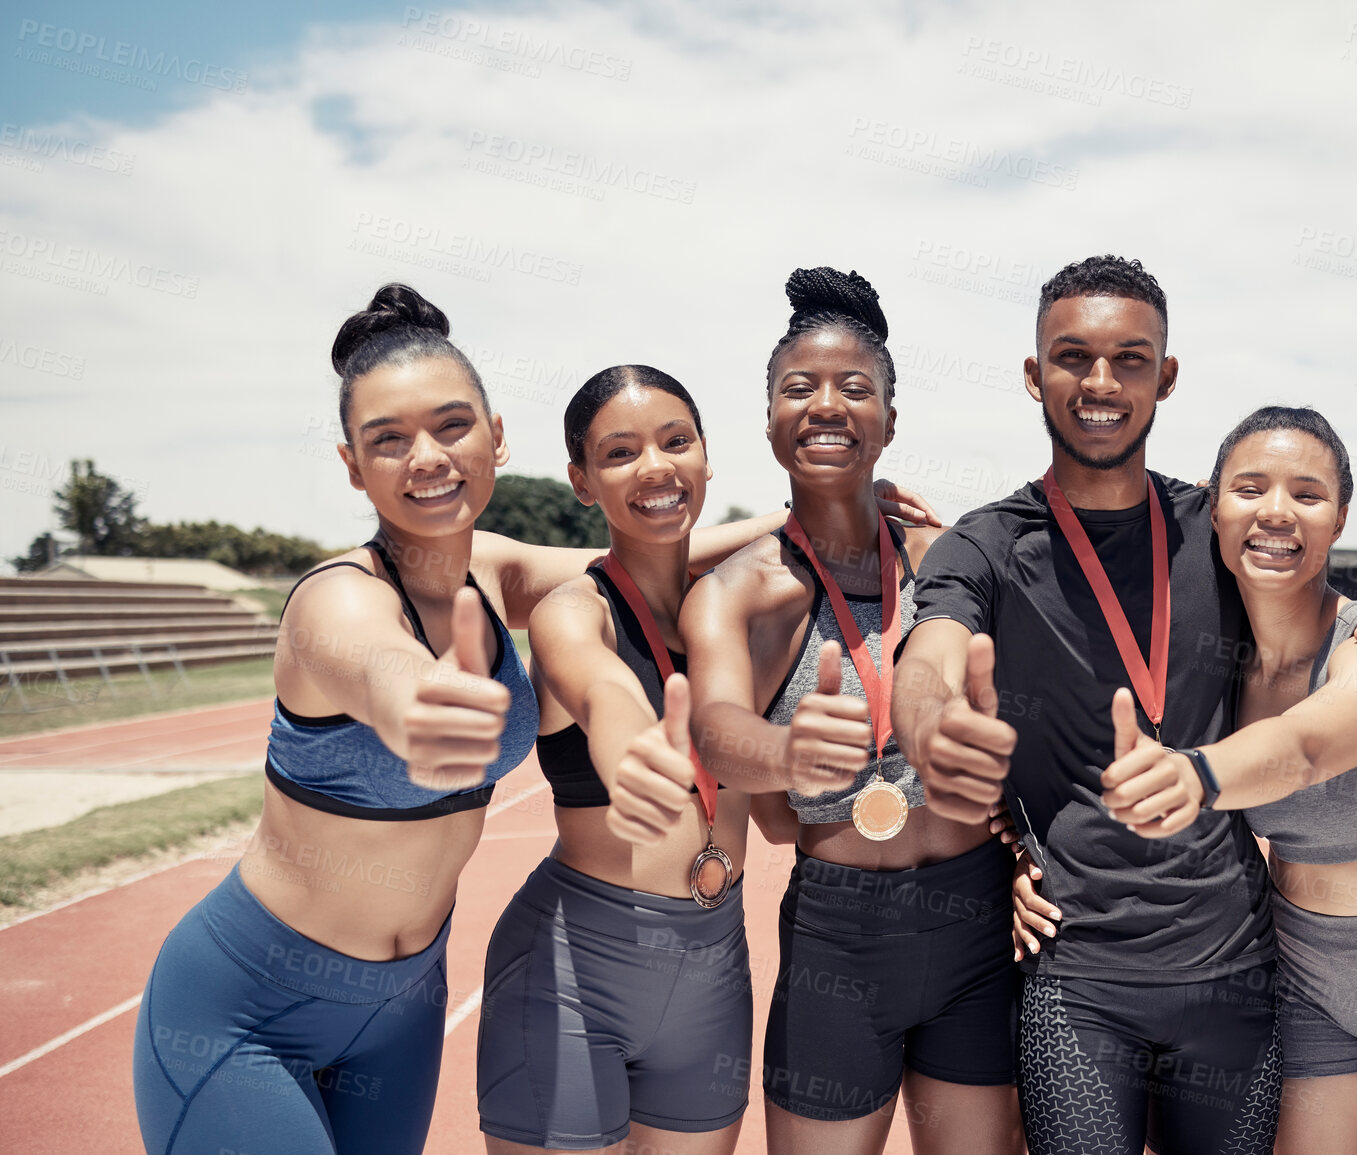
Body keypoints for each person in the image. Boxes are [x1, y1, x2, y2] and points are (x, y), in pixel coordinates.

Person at [130, 285, 852, 1155]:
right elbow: (387, 673)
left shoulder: (492, 570)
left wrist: (818, 511)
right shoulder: (336, 604)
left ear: (495, 436)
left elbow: (642, 542)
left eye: (450, 426)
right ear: (353, 467)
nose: (426, 457)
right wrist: (428, 708)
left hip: (401, 1008)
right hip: (249, 1003)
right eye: (387, 441)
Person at [892, 255, 1357, 1155]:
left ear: (1164, 376)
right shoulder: (987, 546)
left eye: (1130, 358)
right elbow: (929, 654)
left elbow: (1324, 621)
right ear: (1031, 373)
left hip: (1236, 977)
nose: (1099, 381)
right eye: (1071, 356)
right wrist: (931, 730)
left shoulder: (1219, 527)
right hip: (1079, 979)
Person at [1079, 406, 1357, 1154]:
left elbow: (1307, 746)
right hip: (1310, 987)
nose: (1276, 511)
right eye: (1249, 488)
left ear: (1339, 518)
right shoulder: (1208, 664)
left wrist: (1195, 773)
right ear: (1211, 504)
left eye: (1307, 495)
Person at [679, 268, 1023, 1155]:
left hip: (975, 919)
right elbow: (718, 730)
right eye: (799, 389)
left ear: (890, 422)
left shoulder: (950, 558)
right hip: (839, 933)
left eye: (853, 388)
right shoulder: (736, 593)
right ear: (768, 421)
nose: (825, 405)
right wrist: (789, 752)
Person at [475, 364, 755, 1154]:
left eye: (675, 442)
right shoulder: (573, 612)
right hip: (573, 971)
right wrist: (633, 751)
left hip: (714, 965)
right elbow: (601, 691)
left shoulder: (741, 610)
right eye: (620, 452)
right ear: (583, 481)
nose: (656, 467)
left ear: (705, 456)